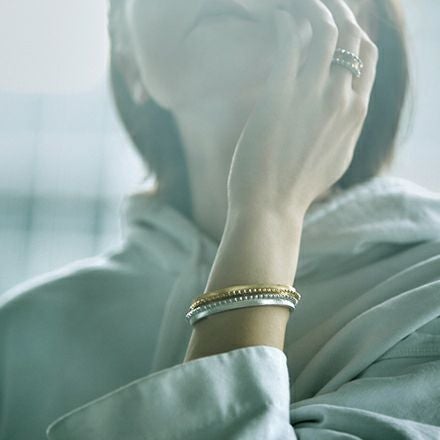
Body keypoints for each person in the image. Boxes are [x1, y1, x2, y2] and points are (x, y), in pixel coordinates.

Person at [1, 0, 439, 438]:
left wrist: (269, 211)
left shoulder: (429, 297)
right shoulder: (17, 335)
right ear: (127, 56)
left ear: (365, 34)